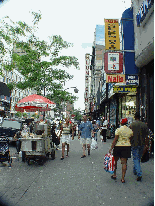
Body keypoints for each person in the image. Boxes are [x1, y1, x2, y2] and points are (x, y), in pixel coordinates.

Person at [109, 118, 133, 183]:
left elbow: (115, 139)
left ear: (121, 123)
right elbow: (130, 138)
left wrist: (111, 148)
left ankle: (114, 174)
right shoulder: (130, 130)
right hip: (127, 147)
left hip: (118, 146)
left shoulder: (118, 130)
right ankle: (123, 178)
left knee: (115, 161)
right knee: (124, 163)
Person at [129, 112, 149, 181]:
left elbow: (130, 135)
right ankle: (135, 170)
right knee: (138, 158)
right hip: (142, 144)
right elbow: (147, 136)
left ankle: (139, 173)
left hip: (134, 144)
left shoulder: (132, 125)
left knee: (135, 158)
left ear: (135, 117)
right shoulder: (144, 125)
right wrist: (146, 145)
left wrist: (129, 142)